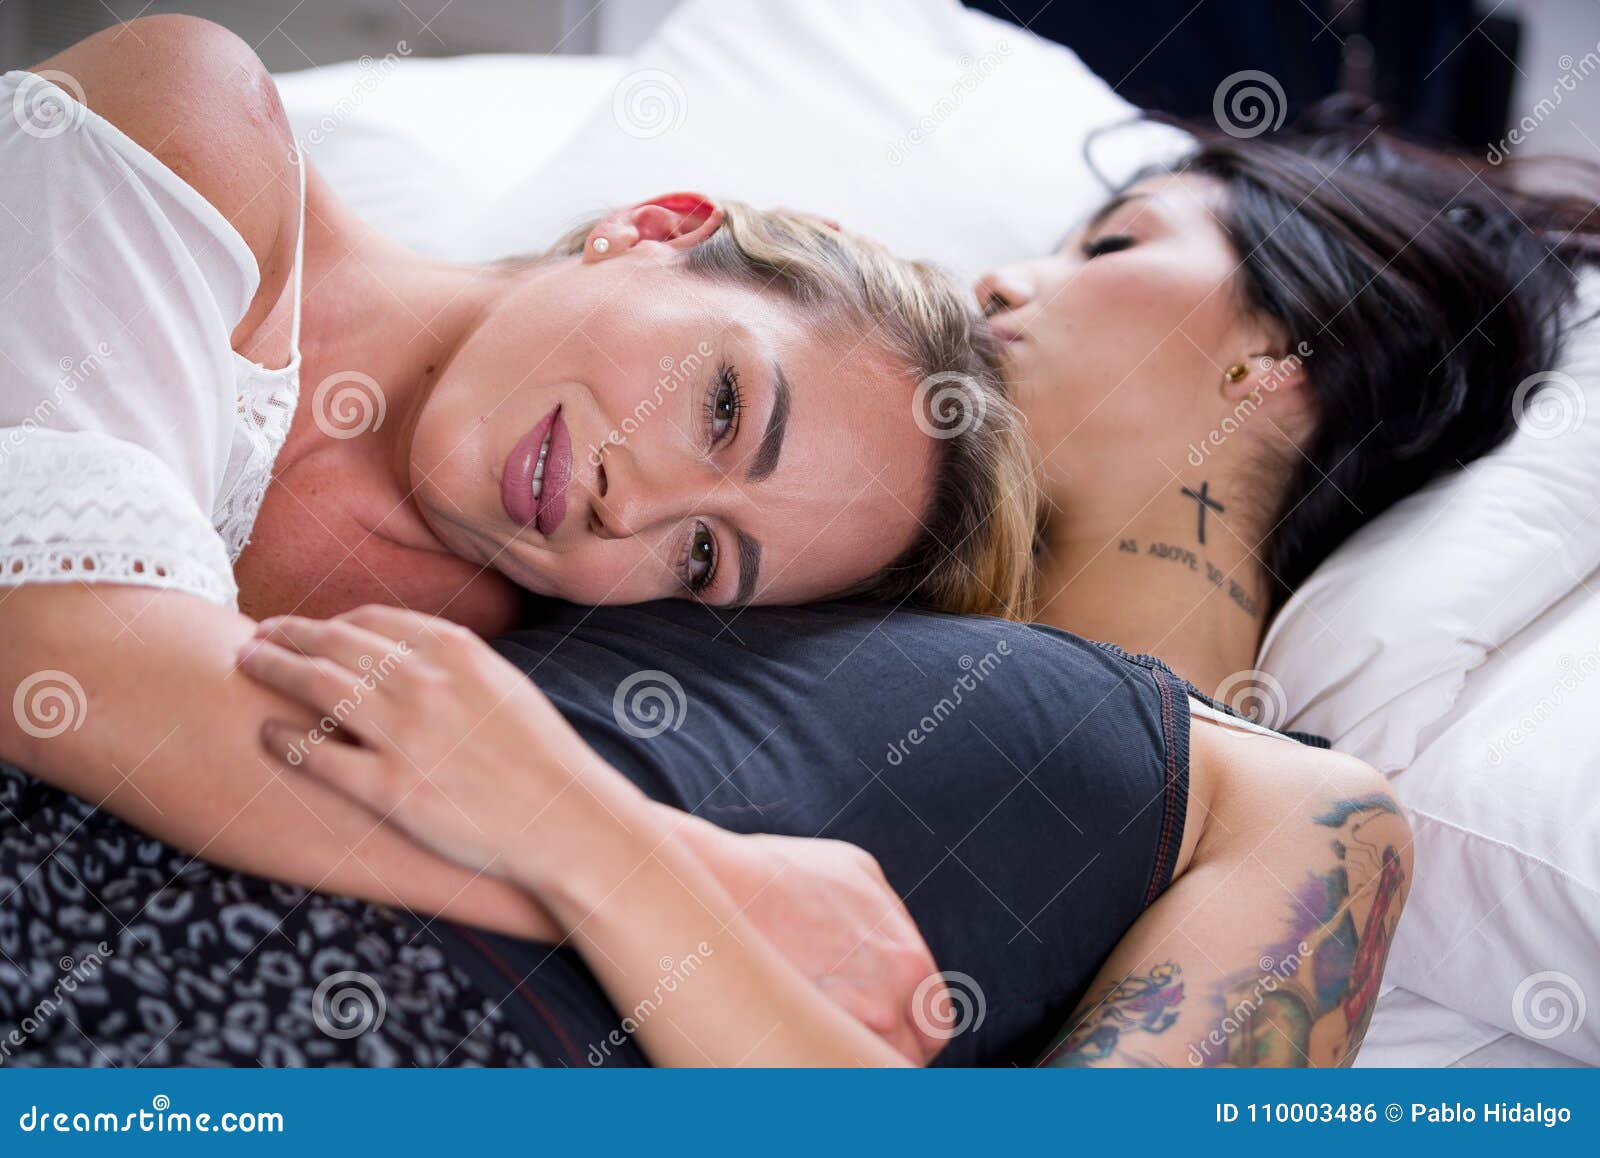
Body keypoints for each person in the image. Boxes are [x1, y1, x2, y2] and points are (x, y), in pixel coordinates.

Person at [0, 16, 1032, 941]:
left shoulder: (471, 656)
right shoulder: (193, 115)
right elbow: (53, 658)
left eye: (704, 554)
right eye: (721, 408)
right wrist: (688, 906)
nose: (630, 509)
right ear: (657, 228)